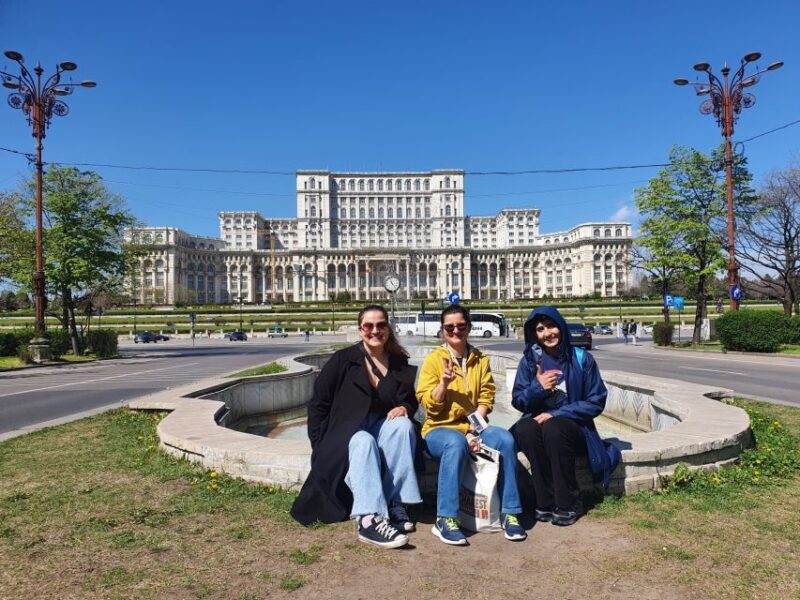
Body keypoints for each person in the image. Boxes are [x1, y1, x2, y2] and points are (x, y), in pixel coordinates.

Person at [290, 304, 422, 549]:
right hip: (349, 429)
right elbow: (319, 402)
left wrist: (405, 408)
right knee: (363, 441)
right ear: (360, 330)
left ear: (388, 328)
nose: (375, 330)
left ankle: (396, 504)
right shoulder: (343, 360)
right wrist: (318, 443)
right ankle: (368, 519)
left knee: (403, 426)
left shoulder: (399, 362)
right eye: (368, 326)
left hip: (382, 426)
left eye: (381, 325)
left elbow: (409, 400)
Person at [416, 305, 527, 546]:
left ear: (468, 327)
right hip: (439, 430)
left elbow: (487, 395)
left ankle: (510, 512)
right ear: (442, 331)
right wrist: (443, 384)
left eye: (461, 326)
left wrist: (475, 429)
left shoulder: (479, 358)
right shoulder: (434, 360)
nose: (455, 331)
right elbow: (429, 407)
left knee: (505, 439)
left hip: (473, 428)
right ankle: (445, 518)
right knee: (455, 443)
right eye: (449, 327)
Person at [511, 306, 621, 526]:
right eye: (540, 329)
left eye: (551, 326)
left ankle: (567, 503)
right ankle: (544, 502)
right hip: (540, 428)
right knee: (525, 429)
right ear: (535, 334)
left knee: (555, 428)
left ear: (560, 326)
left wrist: (556, 413)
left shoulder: (581, 359)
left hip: (574, 429)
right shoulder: (530, 362)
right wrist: (538, 388)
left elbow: (596, 401)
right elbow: (518, 400)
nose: (547, 333)